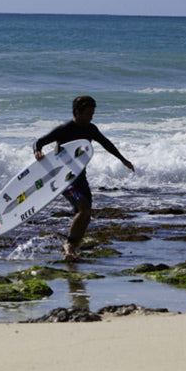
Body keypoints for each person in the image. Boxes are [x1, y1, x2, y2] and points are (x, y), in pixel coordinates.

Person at [34, 96, 134, 260]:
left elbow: (106, 143)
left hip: (80, 177)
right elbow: (39, 142)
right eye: (88, 114)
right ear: (77, 112)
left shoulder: (91, 129)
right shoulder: (64, 129)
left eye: (92, 114)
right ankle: (69, 247)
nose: (90, 117)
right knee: (84, 209)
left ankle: (73, 247)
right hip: (64, 178)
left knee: (86, 215)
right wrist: (38, 151)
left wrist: (123, 159)